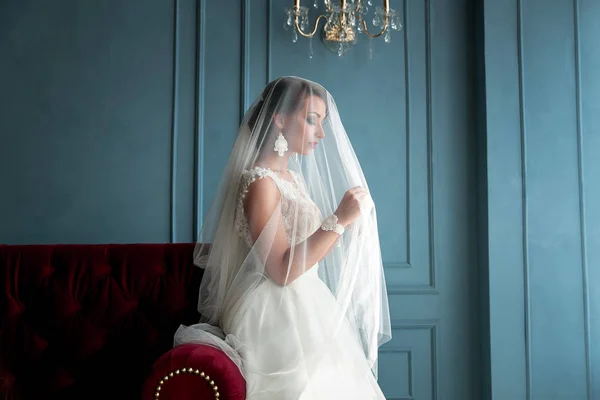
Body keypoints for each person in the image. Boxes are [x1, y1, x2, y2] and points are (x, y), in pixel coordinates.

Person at [174, 76, 391, 399]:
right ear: (279, 119)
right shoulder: (260, 183)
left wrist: (346, 225)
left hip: (310, 300)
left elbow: (307, 250)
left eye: (322, 123)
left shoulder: (291, 178)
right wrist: (339, 220)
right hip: (273, 308)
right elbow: (280, 269)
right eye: (312, 120)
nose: (321, 133)